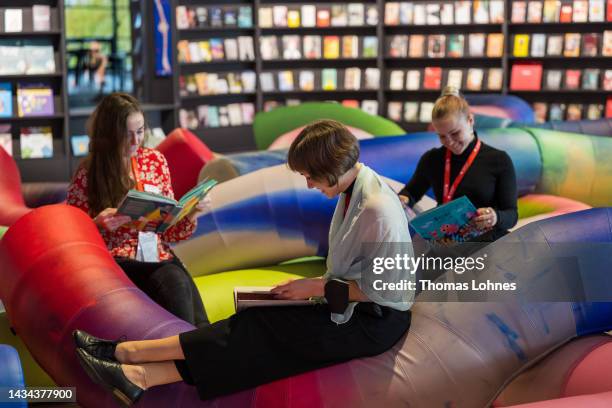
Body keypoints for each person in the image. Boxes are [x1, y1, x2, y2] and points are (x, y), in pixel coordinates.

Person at [72, 120, 415, 405]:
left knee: (259, 329)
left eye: (311, 176)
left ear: (331, 169)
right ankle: (138, 371)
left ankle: (131, 356)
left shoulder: (375, 207)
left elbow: (388, 290)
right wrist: (316, 290)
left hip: (373, 321)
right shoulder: (352, 191)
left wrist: (315, 288)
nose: (309, 185)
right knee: (256, 319)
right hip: (349, 304)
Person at [66, 92, 209, 328]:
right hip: (118, 260)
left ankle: (196, 354)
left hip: (156, 254)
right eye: (127, 134)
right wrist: (96, 224)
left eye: (141, 131)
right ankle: (187, 354)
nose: (136, 141)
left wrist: (190, 214)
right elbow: (71, 234)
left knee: (191, 302)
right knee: (175, 281)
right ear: (110, 134)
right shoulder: (88, 172)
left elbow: (170, 234)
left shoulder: (155, 161)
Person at [399, 87, 518, 242]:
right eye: (442, 136)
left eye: (455, 133)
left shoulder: (499, 160)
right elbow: (411, 192)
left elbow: (512, 215)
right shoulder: (432, 158)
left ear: (470, 120)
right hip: (446, 242)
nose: (449, 142)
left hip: (486, 244)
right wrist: (402, 200)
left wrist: (495, 217)